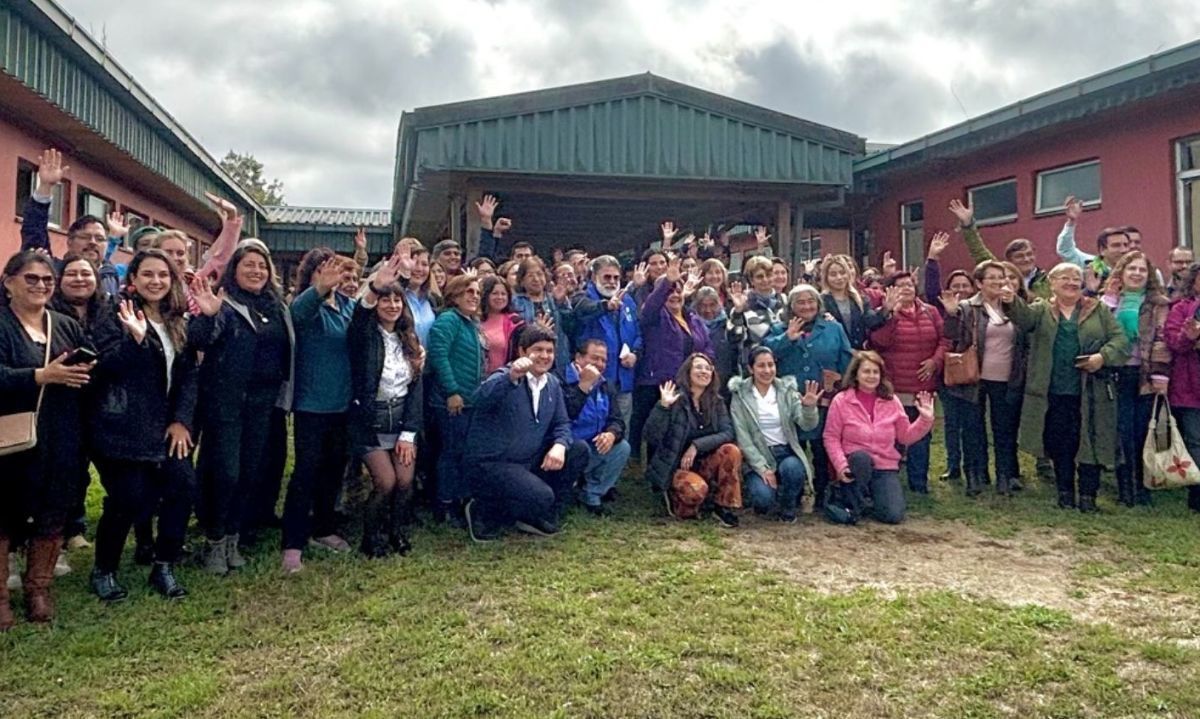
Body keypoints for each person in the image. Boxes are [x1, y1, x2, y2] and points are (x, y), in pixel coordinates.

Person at [87, 250, 196, 601]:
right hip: (125, 428)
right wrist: (134, 342)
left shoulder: (177, 321)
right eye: (147, 274)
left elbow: (188, 376)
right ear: (132, 279)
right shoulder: (114, 316)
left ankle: (164, 565)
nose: (156, 281)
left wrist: (181, 420)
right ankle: (104, 569)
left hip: (166, 428)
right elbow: (102, 369)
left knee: (182, 485)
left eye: (163, 275)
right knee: (129, 497)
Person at [189, 243, 295, 574]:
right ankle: (214, 541)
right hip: (226, 403)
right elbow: (197, 341)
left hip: (263, 403)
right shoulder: (224, 305)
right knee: (226, 473)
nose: (256, 271)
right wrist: (206, 317)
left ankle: (233, 538)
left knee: (249, 472)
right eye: (248, 265)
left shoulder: (277, 307)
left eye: (261, 266)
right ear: (235, 269)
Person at [0, 251, 92, 628]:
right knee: (3, 513)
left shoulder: (65, 325)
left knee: (53, 511)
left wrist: (86, 369)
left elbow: (87, 373)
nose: (40, 286)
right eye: (30, 279)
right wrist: (39, 376)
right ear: (8, 282)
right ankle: (1, 597)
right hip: (9, 437)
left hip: (61, 434)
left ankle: (38, 588)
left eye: (46, 280)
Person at [1007, 263, 1129, 512]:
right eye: (1065, 278)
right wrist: (1010, 300)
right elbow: (1023, 319)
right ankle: (1064, 492)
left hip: (1090, 391)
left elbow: (1120, 340)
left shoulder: (1098, 309)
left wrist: (1101, 357)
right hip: (1053, 391)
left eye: (1076, 278)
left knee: (1090, 441)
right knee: (1059, 442)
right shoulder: (1041, 310)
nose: (1071, 283)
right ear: (1052, 282)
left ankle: (1088, 495)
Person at [462, 325, 588, 542]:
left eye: (549, 351)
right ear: (522, 351)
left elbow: (562, 423)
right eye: (538, 350)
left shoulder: (553, 384)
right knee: (541, 495)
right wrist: (511, 375)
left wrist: (560, 444)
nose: (544, 356)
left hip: (528, 461)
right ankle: (483, 509)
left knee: (578, 450)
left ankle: (535, 515)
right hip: (494, 464)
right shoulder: (506, 376)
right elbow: (479, 398)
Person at [279, 249, 357, 573]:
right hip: (312, 406)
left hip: (343, 404)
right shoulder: (305, 307)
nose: (331, 276)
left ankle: (323, 529)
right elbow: (296, 315)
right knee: (306, 474)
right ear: (311, 274)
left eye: (335, 271)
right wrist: (320, 289)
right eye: (324, 271)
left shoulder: (346, 307)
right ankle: (292, 544)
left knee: (333, 470)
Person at [348, 267, 425, 558]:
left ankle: (397, 531)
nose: (392, 305)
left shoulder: (410, 340)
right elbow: (359, 315)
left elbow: (416, 389)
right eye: (385, 300)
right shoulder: (364, 335)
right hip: (370, 422)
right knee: (386, 481)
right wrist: (373, 287)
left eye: (397, 300)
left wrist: (409, 433)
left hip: (401, 420)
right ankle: (371, 536)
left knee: (405, 481)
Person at [940, 261, 1027, 496]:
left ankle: (1004, 476)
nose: (1000, 282)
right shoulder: (969, 307)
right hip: (975, 376)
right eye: (993, 278)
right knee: (973, 428)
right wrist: (950, 314)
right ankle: (975, 476)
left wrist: (1015, 303)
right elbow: (951, 336)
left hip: (1007, 378)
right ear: (979, 283)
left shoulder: (1013, 307)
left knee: (1004, 429)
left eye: (1003, 277)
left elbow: (1027, 331)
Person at [763, 284, 853, 504]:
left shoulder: (833, 328)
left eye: (811, 301)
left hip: (824, 399)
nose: (806, 306)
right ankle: (792, 495)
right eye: (800, 302)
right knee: (793, 449)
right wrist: (787, 338)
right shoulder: (779, 328)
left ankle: (823, 494)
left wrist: (840, 378)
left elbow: (848, 360)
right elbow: (764, 355)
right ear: (791, 306)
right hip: (790, 402)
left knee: (822, 448)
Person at [823, 351, 935, 525]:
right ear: (856, 374)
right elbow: (831, 437)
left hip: (884, 466)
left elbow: (905, 436)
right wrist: (840, 465)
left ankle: (869, 499)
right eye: (866, 371)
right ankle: (849, 497)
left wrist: (925, 419)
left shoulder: (892, 401)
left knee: (893, 515)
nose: (871, 376)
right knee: (861, 459)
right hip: (854, 465)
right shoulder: (841, 400)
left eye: (876, 372)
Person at [49, 253, 111, 557]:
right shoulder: (48, 313)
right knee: (65, 468)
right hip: (60, 402)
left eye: (85, 273)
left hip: (100, 402)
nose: (79, 279)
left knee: (90, 468)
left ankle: (75, 527)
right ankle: (60, 533)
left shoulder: (108, 311)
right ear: (60, 281)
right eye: (71, 273)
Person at [1101, 251, 1170, 507]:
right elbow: (1100, 329)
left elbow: (1162, 338)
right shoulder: (1110, 300)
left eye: (1142, 270)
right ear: (1122, 272)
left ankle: (1144, 488)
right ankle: (1124, 489)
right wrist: (1108, 298)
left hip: (1144, 375)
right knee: (1121, 431)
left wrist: (1160, 373)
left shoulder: (1157, 303)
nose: (1137, 274)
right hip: (1115, 373)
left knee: (1142, 431)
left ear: (1149, 275)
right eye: (1132, 269)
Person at [868, 272, 946, 493]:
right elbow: (880, 342)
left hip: (923, 385)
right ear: (890, 290)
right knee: (891, 436)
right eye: (900, 285)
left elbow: (945, 339)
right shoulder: (883, 315)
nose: (907, 288)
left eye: (910, 284)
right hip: (896, 386)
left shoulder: (930, 312)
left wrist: (935, 361)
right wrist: (890, 315)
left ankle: (919, 483)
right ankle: (888, 480)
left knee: (922, 434)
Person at [629, 257, 714, 460]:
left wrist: (705, 365)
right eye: (669, 291)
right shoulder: (655, 315)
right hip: (656, 383)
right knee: (657, 432)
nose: (674, 295)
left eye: (678, 290)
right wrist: (666, 282)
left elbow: (707, 346)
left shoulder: (692, 318)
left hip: (685, 383)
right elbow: (652, 305)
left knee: (678, 430)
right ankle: (654, 476)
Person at [644, 353, 742, 527]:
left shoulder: (717, 402)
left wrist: (696, 446)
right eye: (698, 367)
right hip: (676, 466)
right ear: (688, 372)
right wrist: (663, 407)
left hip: (705, 461)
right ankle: (676, 498)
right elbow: (651, 436)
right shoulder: (674, 399)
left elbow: (728, 433)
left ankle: (723, 507)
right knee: (695, 493)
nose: (704, 371)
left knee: (731, 450)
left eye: (708, 368)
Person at [729, 347, 821, 522]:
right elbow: (743, 438)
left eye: (771, 365)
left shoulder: (786, 390)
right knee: (763, 500)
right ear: (751, 369)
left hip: (785, 453)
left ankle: (788, 507)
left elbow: (807, 425)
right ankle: (767, 494)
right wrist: (762, 467)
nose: (767, 370)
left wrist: (809, 407)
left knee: (794, 469)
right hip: (758, 455)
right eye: (761, 366)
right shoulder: (740, 395)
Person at [19, 149, 121, 296]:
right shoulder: (52, 271)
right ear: (70, 242)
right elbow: (34, 231)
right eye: (85, 237)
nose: (93, 242)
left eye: (99, 239)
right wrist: (45, 188)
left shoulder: (110, 275)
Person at [426, 274, 485, 523]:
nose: (474, 296)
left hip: (470, 399)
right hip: (450, 401)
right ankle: (445, 504)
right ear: (454, 295)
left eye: (477, 293)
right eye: (468, 292)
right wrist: (452, 391)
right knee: (450, 452)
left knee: (462, 451)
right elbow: (439, 355)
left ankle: (460, 498)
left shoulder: (469, 322)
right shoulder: (449, 320)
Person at [564, 339, 631, 515]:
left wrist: (611, 434)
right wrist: (583, 386)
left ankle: (591, 494)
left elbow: (617, 420)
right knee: (580, 449)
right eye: (595, 358)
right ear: (578, 357)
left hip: (594, 447)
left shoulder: (605, 385)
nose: (600, 364)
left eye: (604, 360)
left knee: (622, 447)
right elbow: (566, 414)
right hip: (567, 449)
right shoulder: (560, 379)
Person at [573, 255, 642, 425]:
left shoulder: (627, 301)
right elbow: (582, 310)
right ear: (594, 277)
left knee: (620, 431)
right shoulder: (582, 298)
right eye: (607, 277)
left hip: (623, 380)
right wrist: (606, 306)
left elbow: (638, 333)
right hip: (594, 380)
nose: (612, 281)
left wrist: (635, 353)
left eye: (616, 277)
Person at [949, 199, 1050, 299]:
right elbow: (978, 251)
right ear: (1010, 261)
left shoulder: (1048, 280)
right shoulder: (999, 273)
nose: (1026, 259)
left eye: (1029, 254)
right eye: (1019, 256)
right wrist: (967, 225)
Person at [1163, 263, 1200, 513]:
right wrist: (1191, 337)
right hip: (1189, 387)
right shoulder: (1180, 309)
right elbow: (1174, 343)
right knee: (1196, 441)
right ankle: (1197, 496)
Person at [511, 258, 574, 374]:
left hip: (557, 363)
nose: (536, 279)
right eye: (530, 275)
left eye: (539, 274)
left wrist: (562, 303)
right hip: (528, 363)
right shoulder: (515, 302)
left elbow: (570, 326)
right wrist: (537, 330)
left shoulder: (554, 298)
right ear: (522, 280)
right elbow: (513, 334)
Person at [818, 254, 883, 350]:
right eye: (833, 274)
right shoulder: (821, 301)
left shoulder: (860, 299)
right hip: (833, 353)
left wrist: (886, 309)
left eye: (842, 272)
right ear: (826, 277)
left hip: (857, 353)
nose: (839, 277)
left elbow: (871, 321)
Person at [729, 255, 782, 366]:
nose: (765, 280)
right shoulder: (744, 304)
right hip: (754, 366)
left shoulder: (785, 301)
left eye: (768, 275)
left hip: (783, 363)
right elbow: (733, 339)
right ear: (751, 280)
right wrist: (738, 312)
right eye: (759, 277)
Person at [479, 275, 523, 373]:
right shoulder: (474, 318)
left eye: (503, 294)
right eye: (495, 293)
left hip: (504, 378)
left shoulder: (516, 322)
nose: (500, 297)